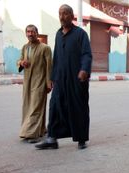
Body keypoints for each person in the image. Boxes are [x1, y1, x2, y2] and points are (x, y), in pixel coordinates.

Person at [36, 4, 92, 150]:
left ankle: (81, 139)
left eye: (65, 13)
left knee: (78, 108)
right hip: (60, 78)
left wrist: (84, 70)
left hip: (77, 79)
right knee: (55, 106)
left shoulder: (81, 34)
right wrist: (52, 78)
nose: (62, 16)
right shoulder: (58, 34)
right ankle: (52, 139)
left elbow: (87, 54)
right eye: (60, 13)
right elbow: (57, 57)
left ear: (72, 16)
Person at [18, 24, 52, 143]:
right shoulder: (24, 47)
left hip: (40, 81)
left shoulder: (45, 48)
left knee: (36, 107)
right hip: (28, 82)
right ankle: (41, 130)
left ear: (37, 33)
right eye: (28, 32)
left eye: (32, 32)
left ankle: (31, 134)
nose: (30, 34)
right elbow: (19, 60)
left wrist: (49, 83)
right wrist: (22, 63)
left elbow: (49, 67)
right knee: (28, 106)